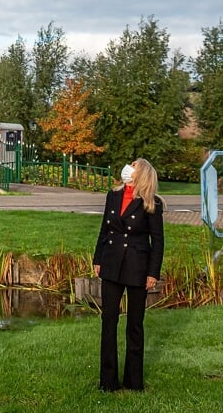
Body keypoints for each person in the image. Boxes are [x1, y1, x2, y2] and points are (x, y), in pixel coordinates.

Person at [92, 158, 164, 393]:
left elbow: (158, 240)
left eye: (133, 165)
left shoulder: (151, 202)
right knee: (108, 322)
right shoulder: (113, 195)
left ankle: (134, 381)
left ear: (141, 173)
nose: (127, 168)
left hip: (137, 267)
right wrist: (98, 258)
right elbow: (105, 228)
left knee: (135, 324)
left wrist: (153, 272)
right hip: (111, 263)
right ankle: (108, 382)